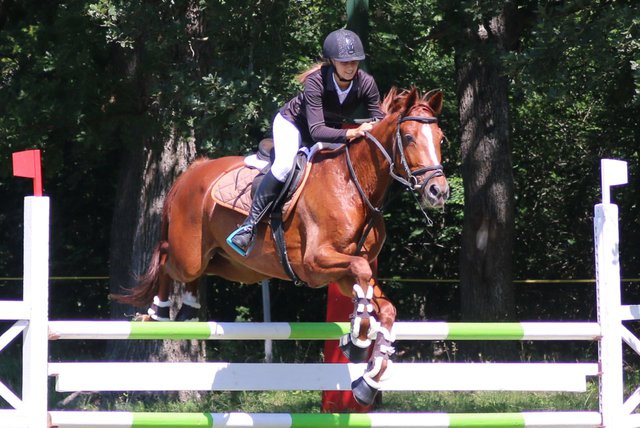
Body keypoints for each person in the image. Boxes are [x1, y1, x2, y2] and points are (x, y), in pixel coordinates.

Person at [226, 28, 385, 256]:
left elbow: (378, 117)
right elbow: (317, 130)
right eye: (344, 62)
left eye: (354, 61)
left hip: (328, 129)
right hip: (293, 125)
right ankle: (249, 226)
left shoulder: (366, 83)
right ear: (332, 61)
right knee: (284, 166)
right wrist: (352, 133)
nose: (350, 67)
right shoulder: (315, 82)